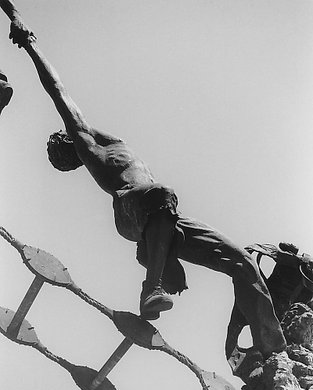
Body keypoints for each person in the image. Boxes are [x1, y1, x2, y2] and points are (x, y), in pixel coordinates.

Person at [6, 11, 287, 358]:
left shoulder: (108, 143)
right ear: (70, 144)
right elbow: (57, 90)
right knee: (162, 194)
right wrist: (31, 44)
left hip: (165, 216)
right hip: (133, 208)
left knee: (242, 261)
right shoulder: (87, 143)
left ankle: (273, 351)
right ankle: (151, 286)